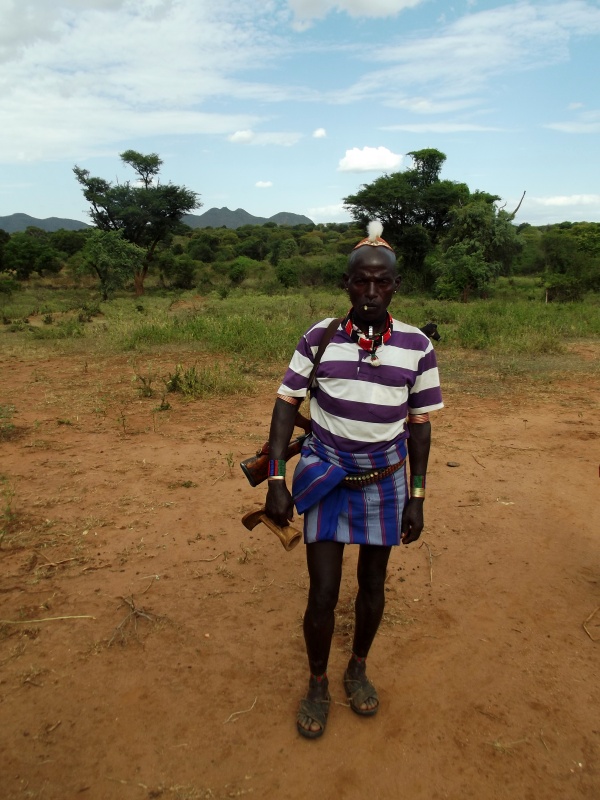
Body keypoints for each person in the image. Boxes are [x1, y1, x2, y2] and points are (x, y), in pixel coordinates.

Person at [265, 222, 443, 739]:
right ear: (345, 283)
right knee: (322, 593)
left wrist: (418, 496)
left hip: (386, 480)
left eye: (380, 283)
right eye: (360, 282)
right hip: (324, 475)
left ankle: (358, 666)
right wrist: (277, 479)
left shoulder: (416, 346)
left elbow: (419, 426)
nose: (370, 293)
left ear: (395, 286)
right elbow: (284, 406)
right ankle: (318, 682)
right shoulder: (319, 338)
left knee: (371, 586)